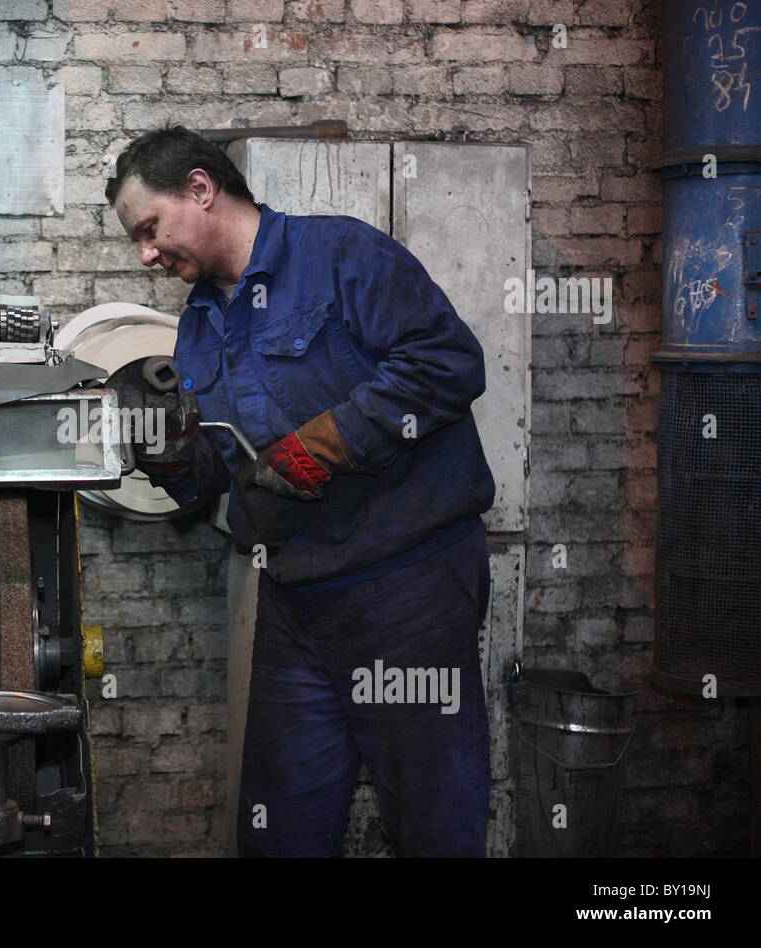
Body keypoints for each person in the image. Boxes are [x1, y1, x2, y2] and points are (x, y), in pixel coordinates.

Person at [105, 125, 496, 857]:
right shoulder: (197, 330)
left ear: (200, 188)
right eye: (138, 241)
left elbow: (448, 363)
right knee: (280, 831)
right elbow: (224, 470)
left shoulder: (341, 256)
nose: (148, 255)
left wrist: (325, 446)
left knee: (432, 822)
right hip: (294, 602)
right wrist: (167, 456)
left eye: (150, 230)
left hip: (406, 588)